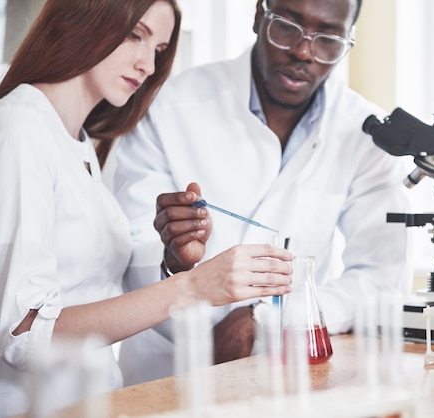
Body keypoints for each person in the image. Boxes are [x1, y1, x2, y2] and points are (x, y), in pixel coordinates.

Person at [0, 1, 293, 416]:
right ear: (82, 16)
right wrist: (193, 289)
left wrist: (175, 261)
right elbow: (23, 333)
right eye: (135, 35)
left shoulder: (78, 141)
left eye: (158, 49)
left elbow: (89, 290)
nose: (148, 65)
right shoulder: (21, 127)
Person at [114, 0, 413, 385]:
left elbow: (380, 277)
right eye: (287, 25)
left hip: (291, 375)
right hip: (167, 376)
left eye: (329, 38)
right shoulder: (169, 106)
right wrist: (176, 263)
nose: (304, 51)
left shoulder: (364, 132)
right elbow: (132, 255)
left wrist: (270, 317)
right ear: (259, 15)